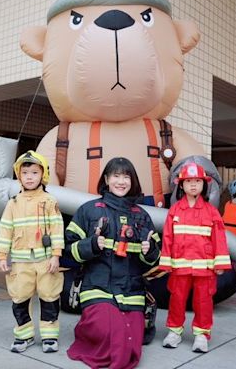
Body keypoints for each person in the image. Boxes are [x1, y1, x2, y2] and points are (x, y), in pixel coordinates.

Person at [65, 157, 161, 369]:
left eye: (126, 177)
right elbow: (69, 250)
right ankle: (86, 332)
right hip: (97, 288)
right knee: (112, 331)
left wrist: (150, 250)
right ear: (106, 179)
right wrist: (91, 245)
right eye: (116, 176)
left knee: (131, 343)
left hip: (132, 292)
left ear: (132, 181)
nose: (121, 181)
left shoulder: (142, 216)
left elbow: (153, 260)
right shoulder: (89, 210)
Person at [0, 151, 64, 353]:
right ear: (19, 176)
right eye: (25, 173)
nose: (30, 177)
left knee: (49, 297)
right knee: (20, 298)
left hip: (46, 261)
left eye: (34, 172)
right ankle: (23, 336)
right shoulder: (13, 203)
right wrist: (1, 255)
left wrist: (56, 255)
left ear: (43, 175)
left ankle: (49, 336)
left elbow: (57, 228)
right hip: (20, 261)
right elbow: (5, 228)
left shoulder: (50, 201)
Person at [159, 162, 231, 353]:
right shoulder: (174, 211)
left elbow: (219, 238)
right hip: (179, 268)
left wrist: (220, 262)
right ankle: (174, 332)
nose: (193, 185)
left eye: (197, 181)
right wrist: (166, 263)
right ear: (181, 185)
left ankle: (201, 335)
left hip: (204, 269)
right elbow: (167, 237)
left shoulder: (211, 212)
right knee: (177, 299)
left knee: (203, 301)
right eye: (188, 181)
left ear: (204, 185)